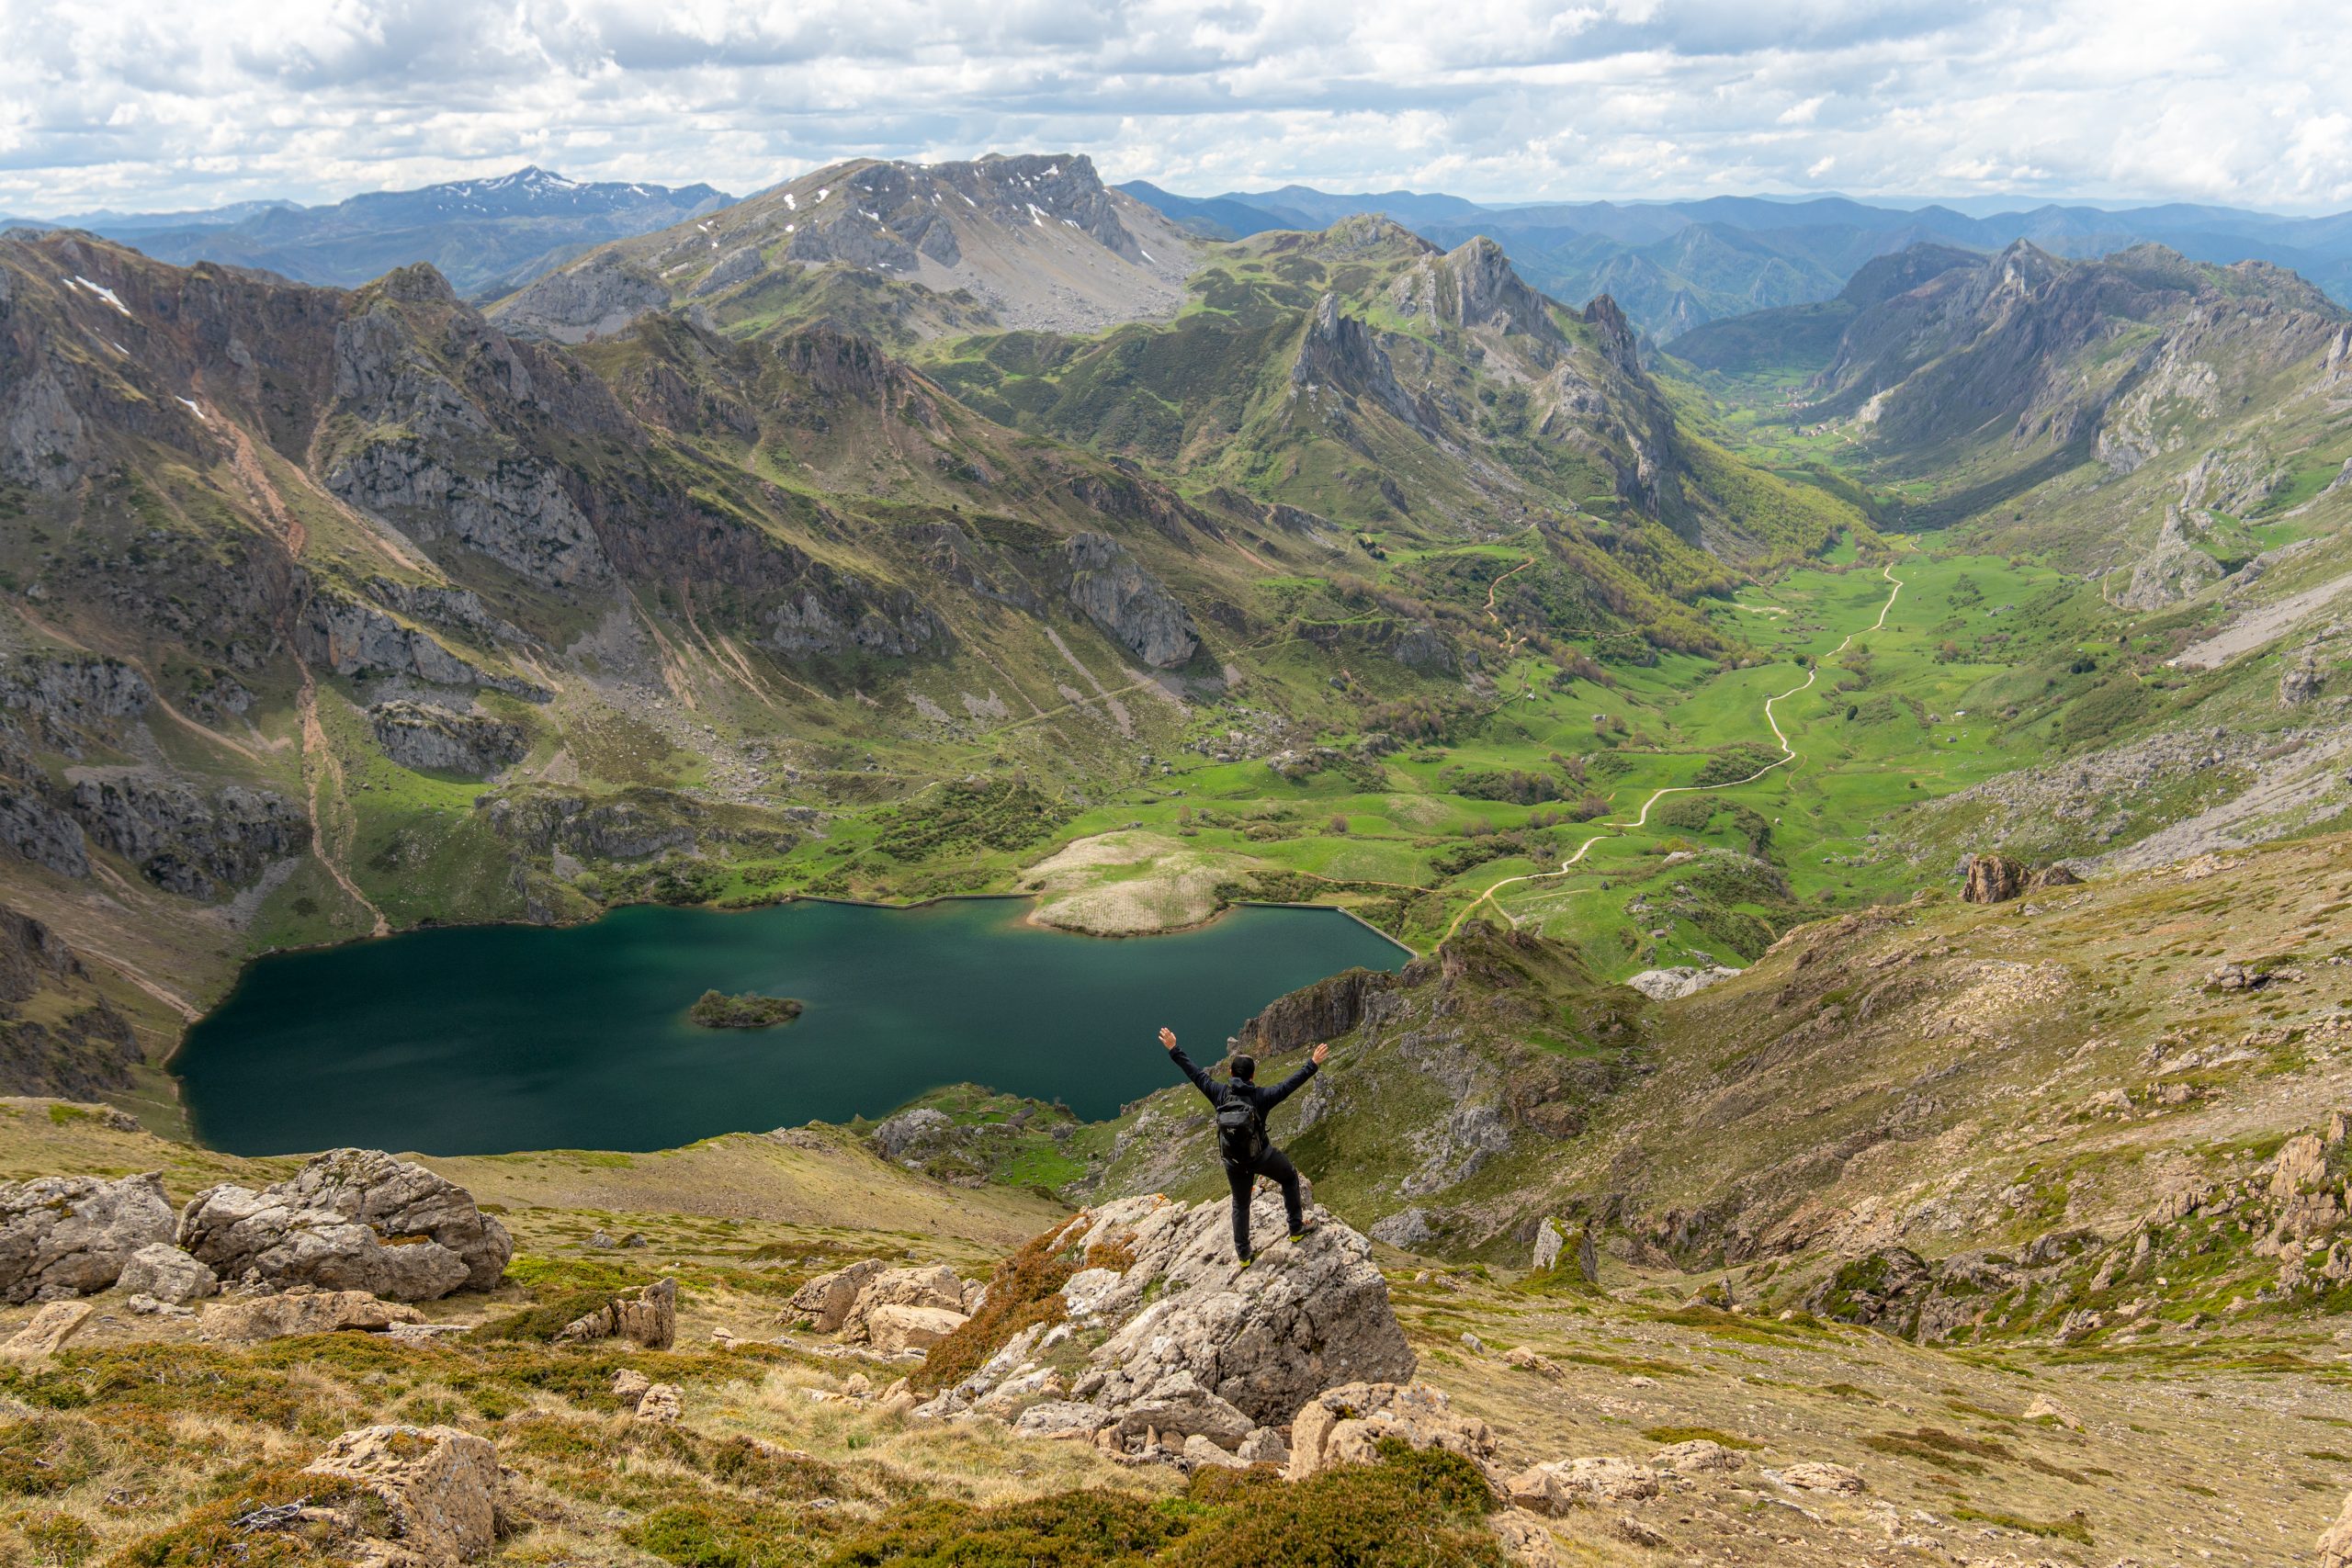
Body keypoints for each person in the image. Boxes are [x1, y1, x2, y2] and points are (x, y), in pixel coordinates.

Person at [1159, 1025, 1329, 1265]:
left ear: (1230, 1073)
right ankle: (1295, 1229)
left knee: (1240, 1203)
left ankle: (1244, 1255)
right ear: (1252, 1076)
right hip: (1261, 1156)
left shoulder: (1219, 1093)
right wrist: (1312, 1063)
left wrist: (1174, 1048)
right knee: (1289, 1177)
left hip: (1233, 1161)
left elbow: (1195, 1074)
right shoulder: (1262, 1096)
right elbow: (1290, 1085)